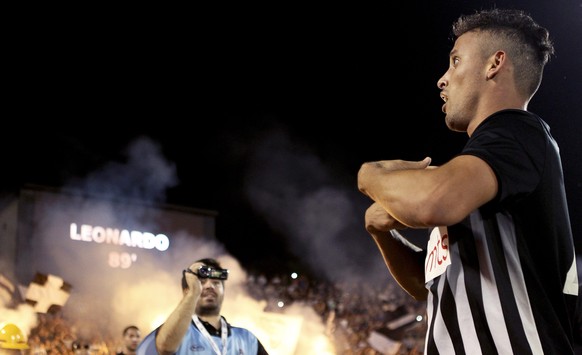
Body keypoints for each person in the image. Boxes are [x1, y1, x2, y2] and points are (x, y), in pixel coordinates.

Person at [357, 8, 579, 354]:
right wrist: (382, 233)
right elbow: (428, 283)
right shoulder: (479, 173)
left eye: (455, 61)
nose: (442, 79)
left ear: (495, 64)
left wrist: (369, 174)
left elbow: (433, 201)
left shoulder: (518, 132)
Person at [137, 257, 269, 355]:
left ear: (223, 290)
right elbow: (164, 347)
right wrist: (193, 292)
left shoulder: (246, 339)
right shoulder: (176, 332)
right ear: (186, 291)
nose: (209, 286)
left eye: (216, 283)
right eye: (202, 282)